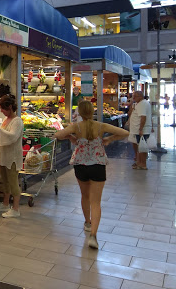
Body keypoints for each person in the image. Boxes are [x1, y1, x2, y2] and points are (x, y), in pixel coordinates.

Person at [53, 101, 128, 249]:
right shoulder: (100, 126)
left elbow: (58, 134)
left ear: (79, 113)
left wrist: (70, 137)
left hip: (80, 164)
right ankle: (93, 235)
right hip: (98, 164)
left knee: (85, 196)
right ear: (92, 111)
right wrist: (109, 139)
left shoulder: (76, 126)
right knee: (96, 202)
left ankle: (87, 222)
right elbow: (125, 132)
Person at [0, 95, 24, 218]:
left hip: (12, 157)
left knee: (13, 182)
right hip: (3, 155)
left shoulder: (17, 121)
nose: (1, 111)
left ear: (10, 107)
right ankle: (5, 204)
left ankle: (15, 209)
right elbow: (4, 134)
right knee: (4, 181)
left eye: (3, 109)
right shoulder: (6, 119)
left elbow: (12, 136)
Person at [129, 91, 152, 170]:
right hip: (139, 129)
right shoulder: (139, 104)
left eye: (135, 96)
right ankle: (139, 162)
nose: (133, 98)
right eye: (133, 96)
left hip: (142, 130)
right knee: (140, 147)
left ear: (140, 96)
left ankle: (143, 164)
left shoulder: (142, 104)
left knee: (142, 147)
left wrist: (141, 129)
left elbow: (143, 117)